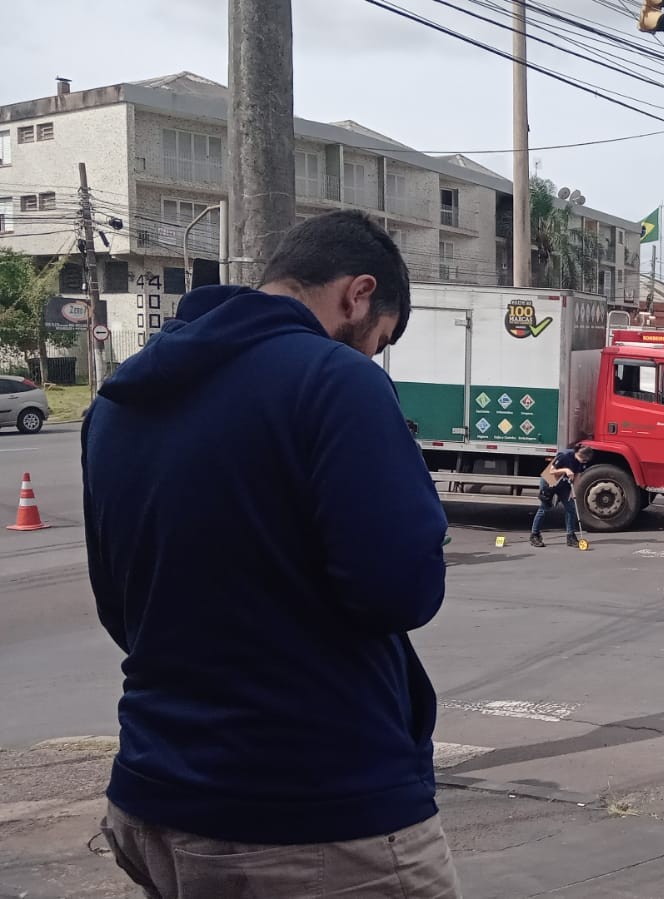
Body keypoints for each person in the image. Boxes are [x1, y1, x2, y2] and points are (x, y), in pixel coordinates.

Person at [82, 210, 461, 897]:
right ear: (357, 293)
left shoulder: (118, 399)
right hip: (310, 811)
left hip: (154, 793)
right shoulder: (337, 381)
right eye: (379, 340)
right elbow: (400, 589)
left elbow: (120, 608)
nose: (372, 356)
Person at [531, 444, 594, 547]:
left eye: (585, 461)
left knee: (571, 508)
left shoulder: (582, 462)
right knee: (544, 508)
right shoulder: (565, 456)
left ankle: (570, 536)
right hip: (550, 482)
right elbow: (551, 471)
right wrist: (566, 470)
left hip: (564, 484)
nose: (583, 462)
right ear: (578, 454)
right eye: (582, 459)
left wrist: (573, 492)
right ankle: (535, 534)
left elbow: (578, 475)